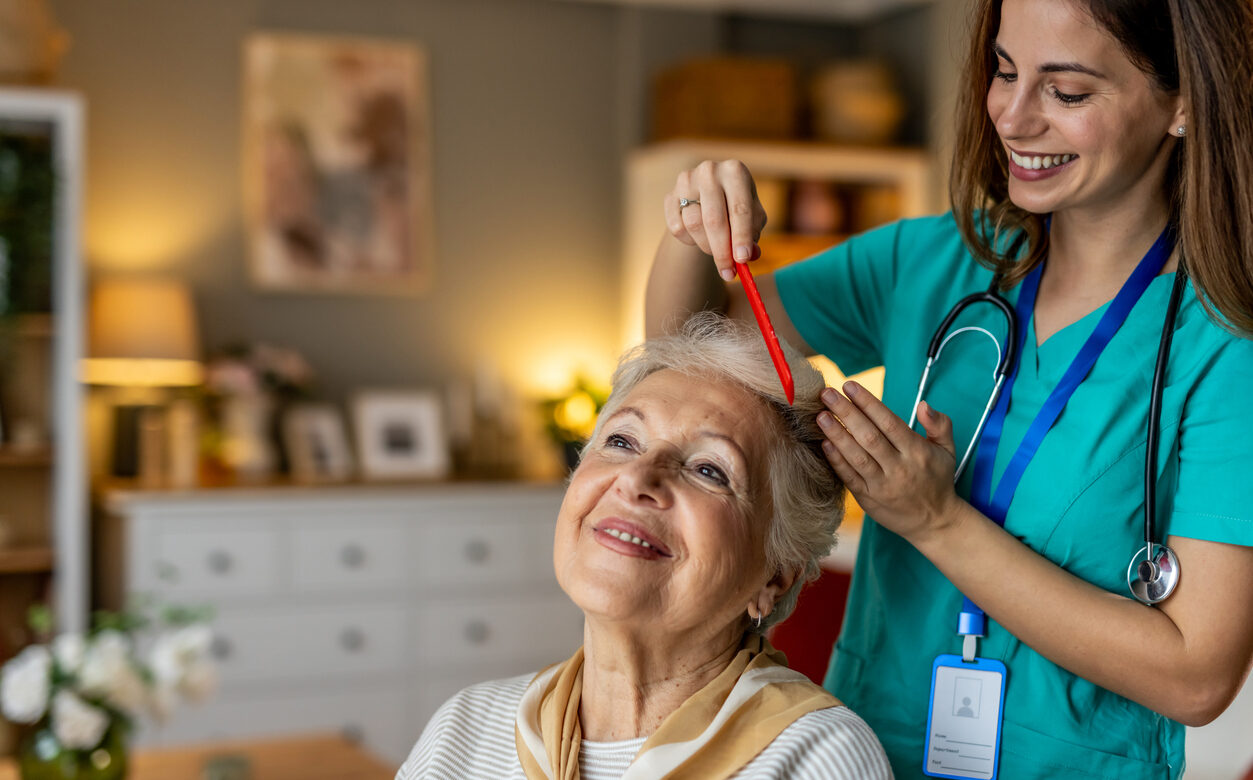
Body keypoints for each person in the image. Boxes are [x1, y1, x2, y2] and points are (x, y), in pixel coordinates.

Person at [644, 0, 1253, 777]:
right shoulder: (935, 262)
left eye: (1066, 93)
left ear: (1182, 104)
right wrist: (692, 224)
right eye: (1003, 72)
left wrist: (935, 521)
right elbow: (688, 351)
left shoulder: (1223, 346)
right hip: (859, 755)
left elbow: (1196, 676)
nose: (1012, 116)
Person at [397, 313, 891, 779]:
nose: (635, 478)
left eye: (708, 470)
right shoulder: (465, 729)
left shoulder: (818, 758)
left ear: (775, 575)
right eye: (621, 442)